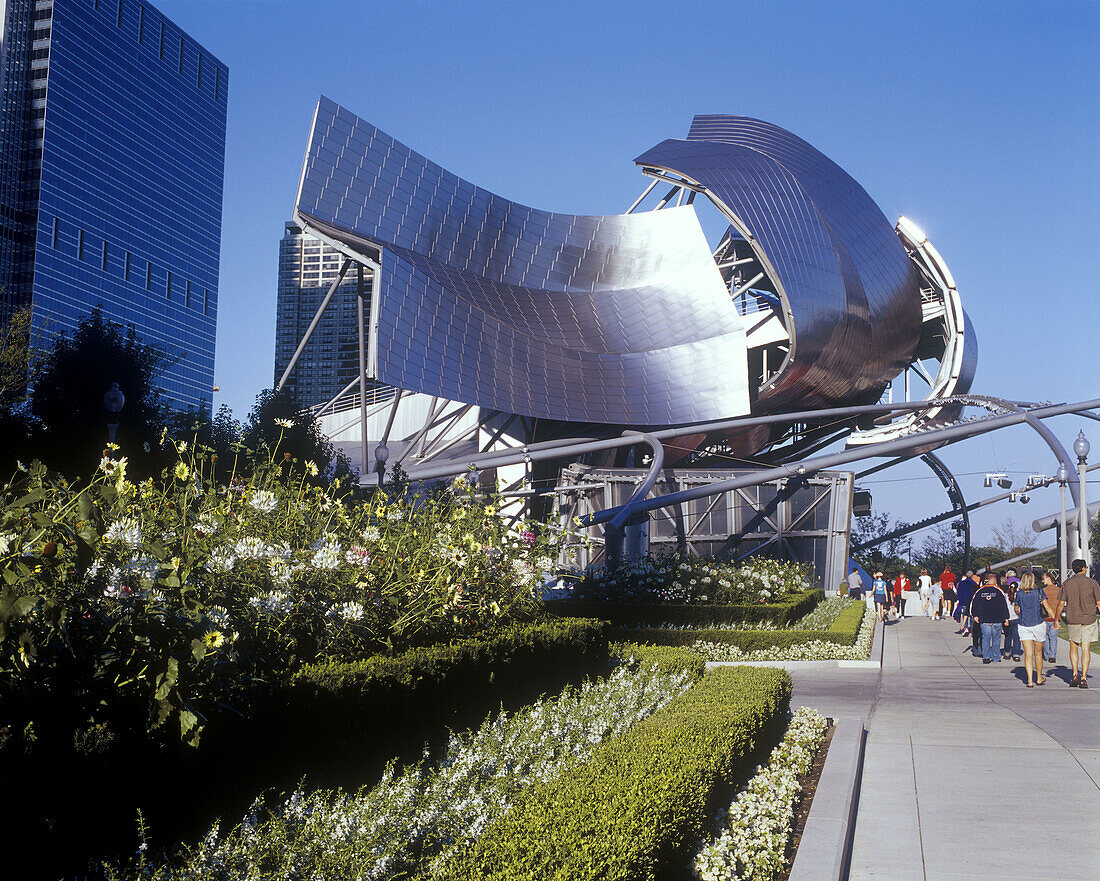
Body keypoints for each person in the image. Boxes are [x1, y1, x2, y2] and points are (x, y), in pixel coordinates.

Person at [1057, 559, 1100, 688]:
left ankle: (1075, 674)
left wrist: (1056, 619)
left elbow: (1060, 604)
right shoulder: (1092, 583)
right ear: (1083, 568)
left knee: (1073, 646)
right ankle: (1084, 677)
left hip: (1073, 618)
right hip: (1089, 619)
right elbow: (1098, 603)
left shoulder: (1067, 583)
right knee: (1086, 648)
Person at [1013, 571, 1052, 686]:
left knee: (1028, 654)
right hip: (1038, 624)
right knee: (1038, 653)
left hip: (1024, 625)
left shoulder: (1019, 594)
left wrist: (1021, 613)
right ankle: (1039, 677)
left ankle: (1029, 680)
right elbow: (1047, 606)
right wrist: (1055, 618)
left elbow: (1016, 608)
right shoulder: (1039, 592)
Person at [971, 571, 1010, 664]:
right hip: (997, 619)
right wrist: (1006, 617)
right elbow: (1003, 605)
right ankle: (996, 657)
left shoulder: (980, 591)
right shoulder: (999, 591)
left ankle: (986, 656)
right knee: (996, 639)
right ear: (995, 581)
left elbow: (975, 603)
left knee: (986, 638)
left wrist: (975, 615)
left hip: (984, 619)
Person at [1040, 570, 1062, 665]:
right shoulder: (1059, 590)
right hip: (1056, 618)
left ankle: (1047, 655)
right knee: (1053, 637)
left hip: (1045, 617)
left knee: (1045, 637)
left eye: (1043, 578)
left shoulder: (1043, 591)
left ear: (1049, 578)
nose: (1042, 580)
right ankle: (1052, 656)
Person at [1002, 578, 1022, 662]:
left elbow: (1003, 607)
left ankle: (1007, 653)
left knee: (1008, 637)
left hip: (1007, 618)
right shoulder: (1019, 595)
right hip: (1016, 618)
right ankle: (1016, 654)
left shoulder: (1005, 596)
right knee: (1016, 637)